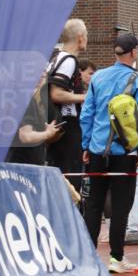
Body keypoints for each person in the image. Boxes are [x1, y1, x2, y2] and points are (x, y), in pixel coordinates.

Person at [80, 32, 138, 273]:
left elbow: (87, 114)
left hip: (97, 149)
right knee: (121, 205)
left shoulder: (98, 77)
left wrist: (86, 145)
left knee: (93, 204)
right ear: (134, 52)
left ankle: (88, 258)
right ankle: (116, 258)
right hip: (125, 151)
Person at [47, 18, 88, 176]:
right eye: (86, 35)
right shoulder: (68, 61)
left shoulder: (56, 58)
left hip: (58, 126)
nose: (87, 38)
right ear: (80, 37)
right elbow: (56, 93)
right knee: (70, 178)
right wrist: (85, 97)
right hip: (66, 127)